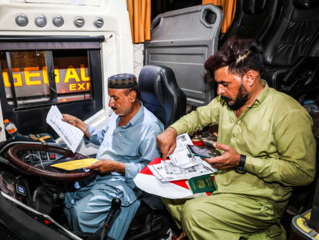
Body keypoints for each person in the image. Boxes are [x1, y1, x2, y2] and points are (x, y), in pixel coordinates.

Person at [156, 36, 316, 239]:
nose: (218, 91)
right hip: (222, 181)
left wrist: (242, 161)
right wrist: (172, 130)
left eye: (224, 84)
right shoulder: (227, 101)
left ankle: (264, 232)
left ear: (249, 77)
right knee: (166, 190)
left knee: (193, 214)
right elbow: (199, 116)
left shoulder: (288, 114)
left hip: (260, 200)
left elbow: (303, 173)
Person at [62, 73, 164, 240]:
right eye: (110, 98)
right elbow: (104, 137)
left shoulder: (149, 128)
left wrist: (116, 167)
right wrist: (79, 123)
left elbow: (151, 171)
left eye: (115, 98)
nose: (110, 104)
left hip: (121, 181)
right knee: (66, 195)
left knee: (81, 212)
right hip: (100, 173)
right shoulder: (119, 115)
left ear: (131, 96)